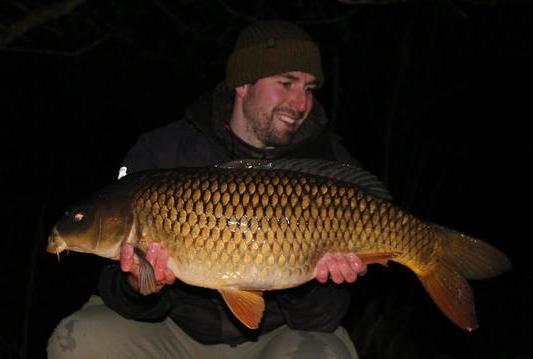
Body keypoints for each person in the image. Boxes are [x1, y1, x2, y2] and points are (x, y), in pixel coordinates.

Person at [48, 20, 390, 358]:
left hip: (277, 337)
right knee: (79, 341)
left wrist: (315, 281)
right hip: (172, 331)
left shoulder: (330, 167)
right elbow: (118, 296)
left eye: (310, 88)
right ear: (242, 84)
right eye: (286, 83)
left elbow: (321, 319)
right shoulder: (162, 152)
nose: (301, 103)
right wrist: (139, 285)